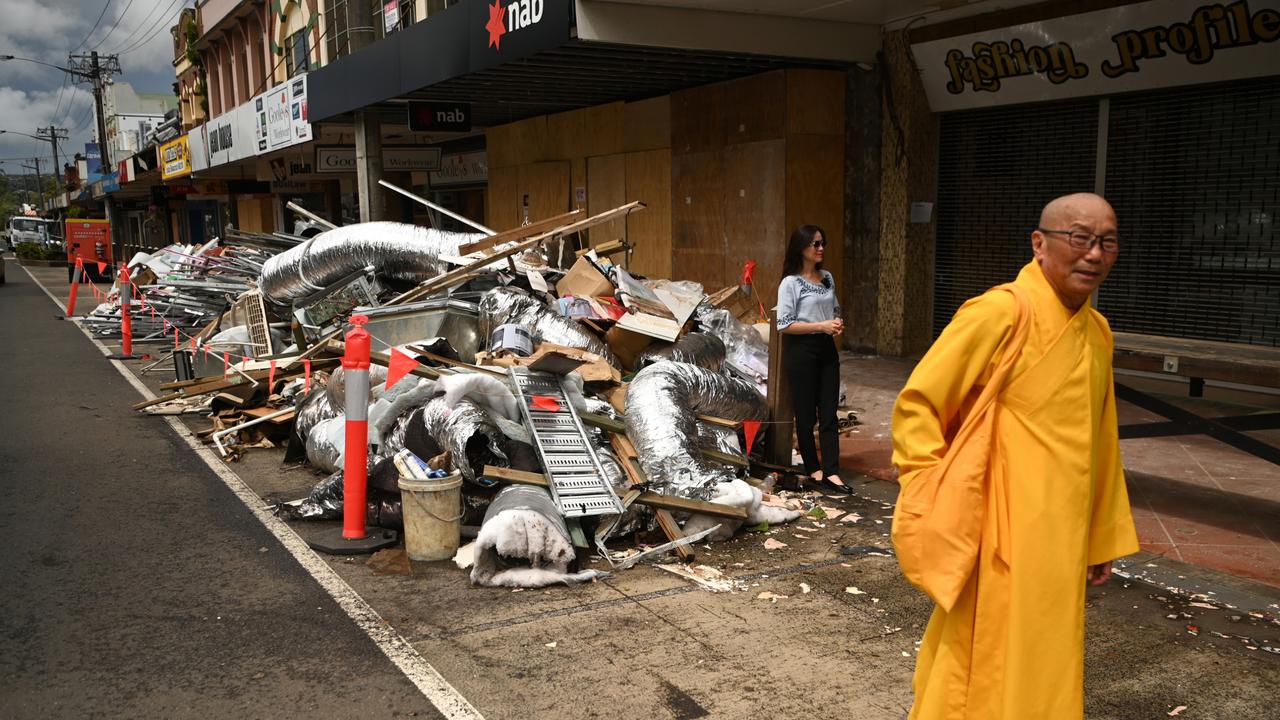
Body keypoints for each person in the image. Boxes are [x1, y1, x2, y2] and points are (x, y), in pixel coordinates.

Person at [891, 192, 1139, 719]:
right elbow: (920, 405)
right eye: (1079, 238)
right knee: (978, 665)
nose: (1093, 254)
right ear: (1040, 243)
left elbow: (1103, 440)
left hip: (1062, 538)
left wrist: (1100, 536)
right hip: (997, 531)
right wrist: (933, 495)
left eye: (1107, 242)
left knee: (1047, 660)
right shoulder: (1001, 312)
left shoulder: (1097, 333)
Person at [777, 224, 850, 494]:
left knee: (829, 412)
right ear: (801, 248)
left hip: (826, 349)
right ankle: (813, 467)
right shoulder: (791, 283)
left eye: (822, 243)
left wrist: (837, 322)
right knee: (806, 415)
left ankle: (832, 471)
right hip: (802, 350)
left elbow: (834, 308)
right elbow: (784, 324)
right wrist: (821, 326)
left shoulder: (827, 277)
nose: (820, 249)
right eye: (815, 244)